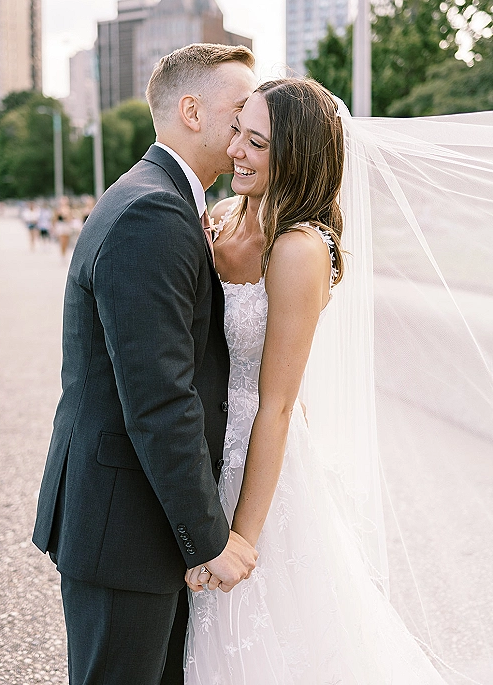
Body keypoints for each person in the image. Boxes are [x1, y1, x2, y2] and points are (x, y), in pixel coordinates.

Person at [184, 79, 456, 683]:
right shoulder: (222, 218)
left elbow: (278, 406)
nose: (235, 151)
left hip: (261, 465)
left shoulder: (299, 249)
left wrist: (244, 541)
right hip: (203, 450)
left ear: (296, 157)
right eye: (237, 132)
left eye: (256, 142)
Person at [32, 43, 259, 685]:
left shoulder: (161, 198)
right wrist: (209, 539)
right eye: (239, 111)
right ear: (192, 110)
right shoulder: (153, 212)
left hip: (131, 518)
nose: (248, 129)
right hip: (124, 526)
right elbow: (160, 397)